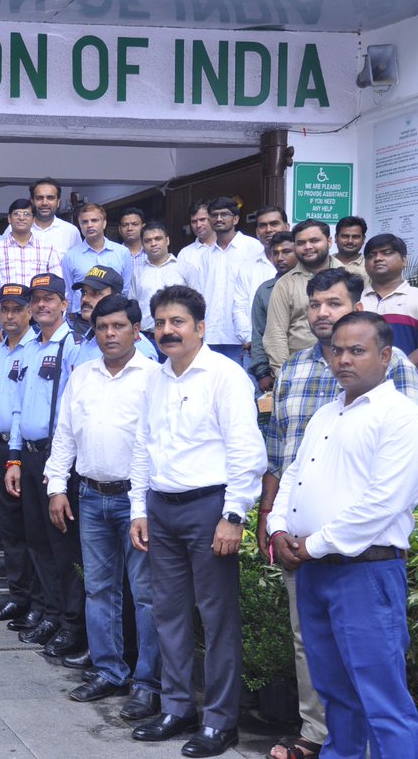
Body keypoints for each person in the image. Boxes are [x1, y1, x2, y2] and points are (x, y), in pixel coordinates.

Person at [259, 267, 418, 759]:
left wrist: (312, 544)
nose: (344, 359)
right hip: (313, 572)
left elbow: (384, 502)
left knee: (381, 699)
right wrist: (278, 527)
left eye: (358, 351)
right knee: (335, 695)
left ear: (385, 356)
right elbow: (293, 476)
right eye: (338, 351)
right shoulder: (328, 413)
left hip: (365, 573)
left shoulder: (401, 416)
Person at [128, 285, 266, 757]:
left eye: (178, 322)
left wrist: (234, 514)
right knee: (168, 613)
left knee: (216, 616)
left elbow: (246, 450)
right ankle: (178, 707)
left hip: (210, 508)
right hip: (161, 507)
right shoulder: (155, 378)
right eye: (161, 323)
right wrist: (139, 508)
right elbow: (143, 446)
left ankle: (221, 721)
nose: (167, 331)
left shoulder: (226, 376)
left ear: (200, 327)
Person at [43, 294, 161, 719]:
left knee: (145, 595)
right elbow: (65, 433)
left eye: (119, 326)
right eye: (103, 327)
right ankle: (109, 670)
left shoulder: (154, 377)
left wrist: (142, 504)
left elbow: (157, 442)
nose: (110, 334)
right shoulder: (83, 375)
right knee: (99, 589)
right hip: (90, 495)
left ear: (136, 330)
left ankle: (148, 684)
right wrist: (57, 486)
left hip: (136, 500)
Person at [2, 274, 84, 660]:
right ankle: (51, 614)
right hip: (31, 456)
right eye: (36, 299)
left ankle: (72, 622)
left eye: (49, 299)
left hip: (58, 457)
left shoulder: (73, 346)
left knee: (62, 545)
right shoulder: (30, 348)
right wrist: (15, 457)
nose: (41, 305)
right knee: (37, 540)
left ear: (64, 304)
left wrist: (59, 466)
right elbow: (19, 408)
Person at [0, 284, 41, 630]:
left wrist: (15, 456)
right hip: (0, 446)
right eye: (5, 309)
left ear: (30, 312)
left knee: (34, 530)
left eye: (17, 309)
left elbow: (22, 407)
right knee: (11, 529)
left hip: (24, 450)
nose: (10, 316)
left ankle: (39, 603)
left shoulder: (36, 349)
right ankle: (18, 597)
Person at [190, 197, 264, 363]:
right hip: (212, 335)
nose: (219, 219)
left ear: (235, 219)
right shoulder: (206, 256)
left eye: (224, 214)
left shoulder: (253, 248)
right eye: (214, 215)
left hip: (244, 337)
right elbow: (200, 294)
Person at [264, 219, 343, 373]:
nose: (308, 247)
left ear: (329, 242)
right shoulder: (284, 284)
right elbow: (275, 335)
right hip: (300, 370)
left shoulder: (349, 276)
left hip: (344, 365)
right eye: (301, 243)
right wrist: (284, 376)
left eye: (314, 241)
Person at [231, 206, 288, 364]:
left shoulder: (299, 266)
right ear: (257, 232)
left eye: (274, 224)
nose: (268, 230)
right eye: (263, 226)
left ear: (287, 227)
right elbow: (239, 309)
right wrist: (251, 341)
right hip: (255, 351)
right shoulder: (247, 267)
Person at [70, 265, 158, 365]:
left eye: (96, 293)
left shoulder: (137, 347)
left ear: (116, 297)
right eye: (84, 292)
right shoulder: (87, 338)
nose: (85, 299)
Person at [0, 198, 62, 313]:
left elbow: (57, 285)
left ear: (33, 220)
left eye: (27, 214)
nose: (21, 218)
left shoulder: (48, 249)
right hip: (7, 312)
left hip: (39, 312)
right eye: (17, 214)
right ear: (9, 218)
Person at [60, 203, 133, 316]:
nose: (89, 225)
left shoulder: (122, 252)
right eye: (84, 222)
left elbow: (124, 289)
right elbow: (70, 292)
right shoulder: (70, 257)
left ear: (104, 223)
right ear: (80, 225)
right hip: (82, 318)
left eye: (94, 220)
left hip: (112, 315)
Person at [246, 232, 297, 393]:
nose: (280, 258)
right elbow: (258, 334)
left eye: (286, 252)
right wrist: (262, 373)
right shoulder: (265, 291)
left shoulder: (312, 286)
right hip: (274, 370)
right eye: (275, 253)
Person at [129, 221, 197, 336]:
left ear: (167, 240)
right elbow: (133, 305)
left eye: (158, 239)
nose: (153, 243)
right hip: (146, 335)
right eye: (148, 241)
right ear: (143, 245)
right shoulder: (137, 273)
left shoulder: (185, 268)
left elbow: (196, 303)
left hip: (177, 334)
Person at [359, 232, 418, 363]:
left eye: (387, 253)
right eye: (371, 255)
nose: (378, 258)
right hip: (362, 375)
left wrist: (401, 367)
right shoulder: (357, 299)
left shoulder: (415, 297)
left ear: (404, 260)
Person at [29, 178, 82, 256]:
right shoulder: (14, 230)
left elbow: (77, 261)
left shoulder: (71, 231)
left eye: (50, 198)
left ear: (58, 202)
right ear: (32, 202)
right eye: (39, 198)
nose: (44, 203)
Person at [176, 200, 216, 272]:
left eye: (202, 219)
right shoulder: (185, 254)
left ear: (212, 218)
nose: (198, 225)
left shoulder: (227, 246)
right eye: (194, 221)